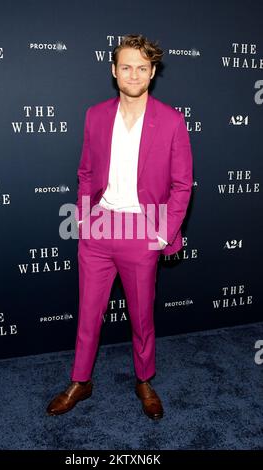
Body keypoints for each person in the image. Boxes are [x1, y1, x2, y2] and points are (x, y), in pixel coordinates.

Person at [47, 34, 193, 420]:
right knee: (88, 311)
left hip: (142, 232)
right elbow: (85, 172)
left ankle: (144, 379)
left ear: (153, 72)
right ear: (114, 71)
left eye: (142, 68)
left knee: (142, 316)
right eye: (126, 66)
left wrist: (160, 233)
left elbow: (182, 186)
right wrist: (83, 218)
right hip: (98, 229)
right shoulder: (95, 115)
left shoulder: (172, 120)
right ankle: (81, 380)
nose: (133, 74)